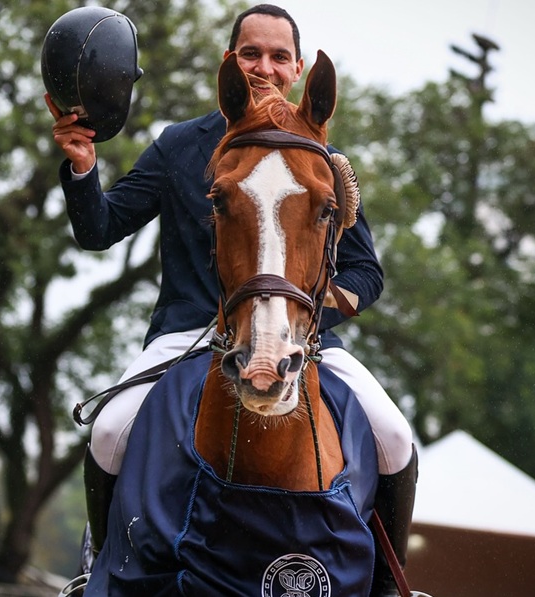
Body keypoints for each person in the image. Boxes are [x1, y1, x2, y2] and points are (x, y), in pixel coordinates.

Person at [46, 5, 417, 595]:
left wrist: (302, 309)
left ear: (297, 68)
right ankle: (100, 570)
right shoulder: (178, 146)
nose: (263, 67)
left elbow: (364, 271)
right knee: (110, 430)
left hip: (299, 336)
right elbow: (100, 229)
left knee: (395, 437)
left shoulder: (318, 154)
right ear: (230, 64)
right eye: (250, 54)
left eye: (277, 56)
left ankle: (391, 585)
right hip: (186, 333)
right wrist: (84, 169)